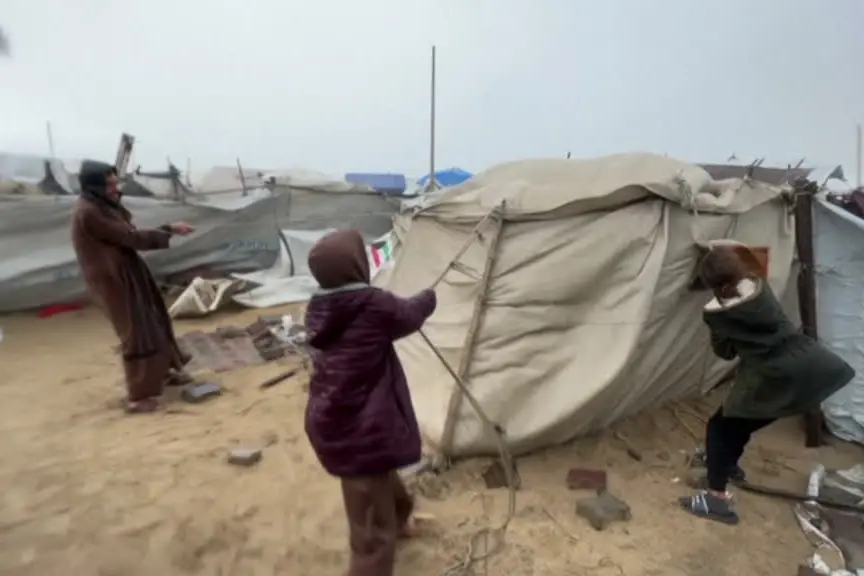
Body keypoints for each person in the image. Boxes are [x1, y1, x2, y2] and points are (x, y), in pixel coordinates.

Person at [680, 244, 854, 524]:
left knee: (720, 428)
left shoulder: (717, 312)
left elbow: (725, 352)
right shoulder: (759, 286)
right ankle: (727, 465)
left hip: (772, 374)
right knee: (740, 422)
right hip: (807, 361)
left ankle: (716, 499)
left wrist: (721, 326)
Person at [304, 228, 436, 576]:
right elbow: (409, 315)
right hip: (358, 428)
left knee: (381, 475)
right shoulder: (373, 303)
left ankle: (402, 518)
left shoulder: (320, 306)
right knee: (371, 530)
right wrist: (430, 297)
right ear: (355, 263)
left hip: (333, 415)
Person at [71, 160, 196, 414]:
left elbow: (127, 231)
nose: (114, 188)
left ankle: (164, 372)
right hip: (113, 280)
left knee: (153, 320)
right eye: (109, 185)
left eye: (114, 183)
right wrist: (168, 230)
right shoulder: (89, 212)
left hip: (127, 272)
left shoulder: (102, 205)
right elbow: (129, 236)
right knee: (135, 333)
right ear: (94, 186)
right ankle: (139, 395)